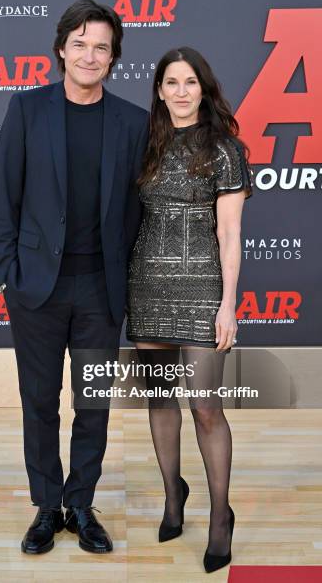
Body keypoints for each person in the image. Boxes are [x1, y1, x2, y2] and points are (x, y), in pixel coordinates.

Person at [0, 0, 148, 555]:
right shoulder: (28, 109)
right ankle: (46, 506)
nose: (90, 55)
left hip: (100, 288)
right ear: (61, 49)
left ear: (113, 58)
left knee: (93, 400)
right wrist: (5, 274)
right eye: (79, 43)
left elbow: (137, 210)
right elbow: (5, 198)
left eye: (101, 46)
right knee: (38, 398)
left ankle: (81, 504)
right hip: (36, 285)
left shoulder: (133, 121)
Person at [126, 46, 253, 573]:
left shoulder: (224, 148)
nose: (181, 91)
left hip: (202, 289)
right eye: (171, 82)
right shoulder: (145, 144)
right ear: (159, 90)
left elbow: (229, 234)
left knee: (205, 407)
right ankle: (173, 497)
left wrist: (228, 305)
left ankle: (220, 515)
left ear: (204, 88)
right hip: (147, 285)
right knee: (159, 401)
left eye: (190, 82)